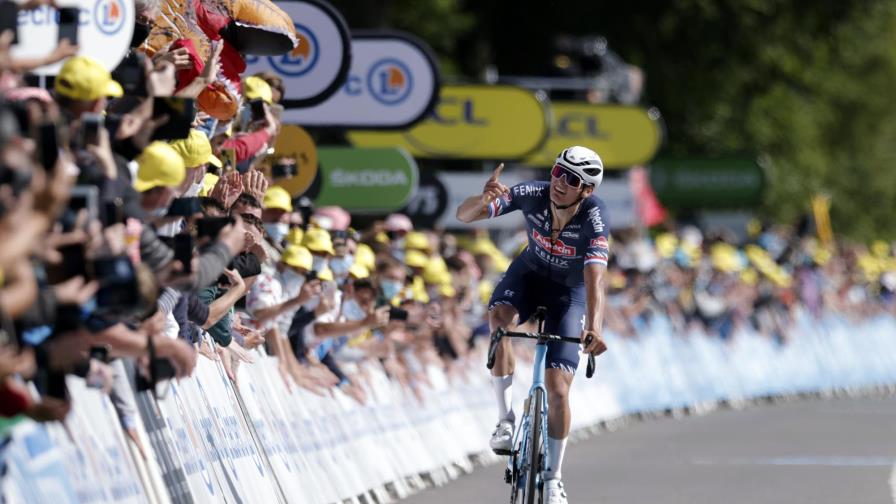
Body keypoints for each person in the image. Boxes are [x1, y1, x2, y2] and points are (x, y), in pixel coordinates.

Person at [455, 146, 610, 504]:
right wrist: (481, 200)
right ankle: (505, 419)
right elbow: (464, 216)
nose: (559, 182)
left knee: (558, 391)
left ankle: (554, 478)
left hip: (567, 295)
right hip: (529, 276)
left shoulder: (594, 217)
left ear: (586, 190)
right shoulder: (532, 192)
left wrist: (596, 327)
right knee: (499, 320)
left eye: (571, 179)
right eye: (558, 171)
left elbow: (595, 277)